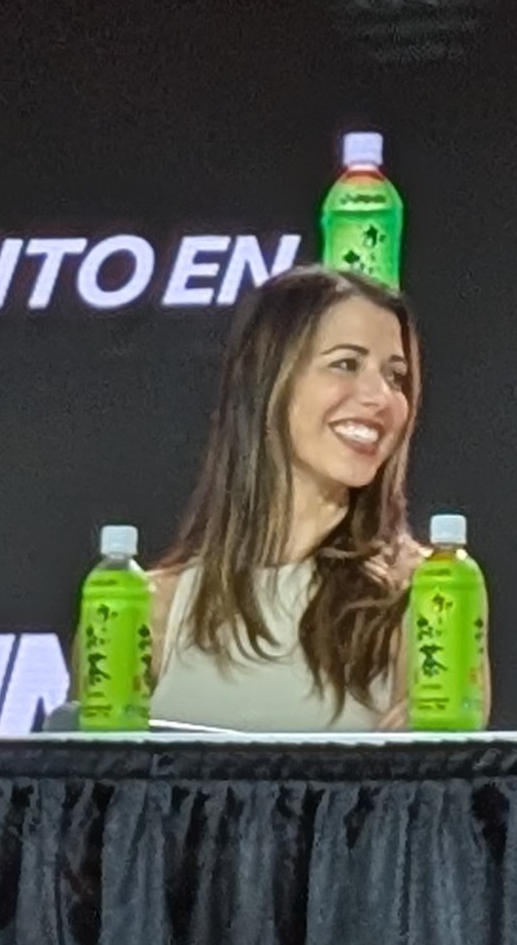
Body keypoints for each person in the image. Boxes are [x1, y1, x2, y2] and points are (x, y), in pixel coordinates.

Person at [147, 265, 435, 732]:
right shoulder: (142, 608)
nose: (381, 397)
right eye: (346, 364)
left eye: (396, 376)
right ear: (266, 380)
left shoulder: (431, 595)